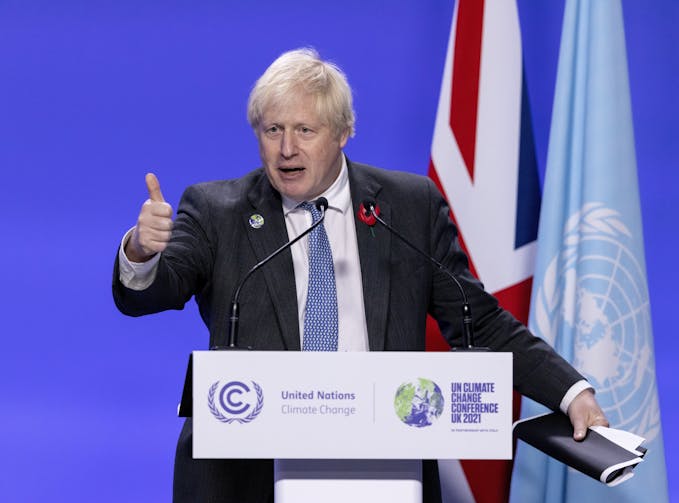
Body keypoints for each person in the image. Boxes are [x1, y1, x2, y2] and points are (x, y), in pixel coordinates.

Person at [113, 48, 608, 503]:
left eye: (305, 131)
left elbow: (478, 322)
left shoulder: (408, 208)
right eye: (272, 130)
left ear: (344, 131)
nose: (287, 149)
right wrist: (141, 251)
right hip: (250, 478)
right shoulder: (217, 210)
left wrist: (571, 391)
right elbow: (153, 290)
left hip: (386, 470)